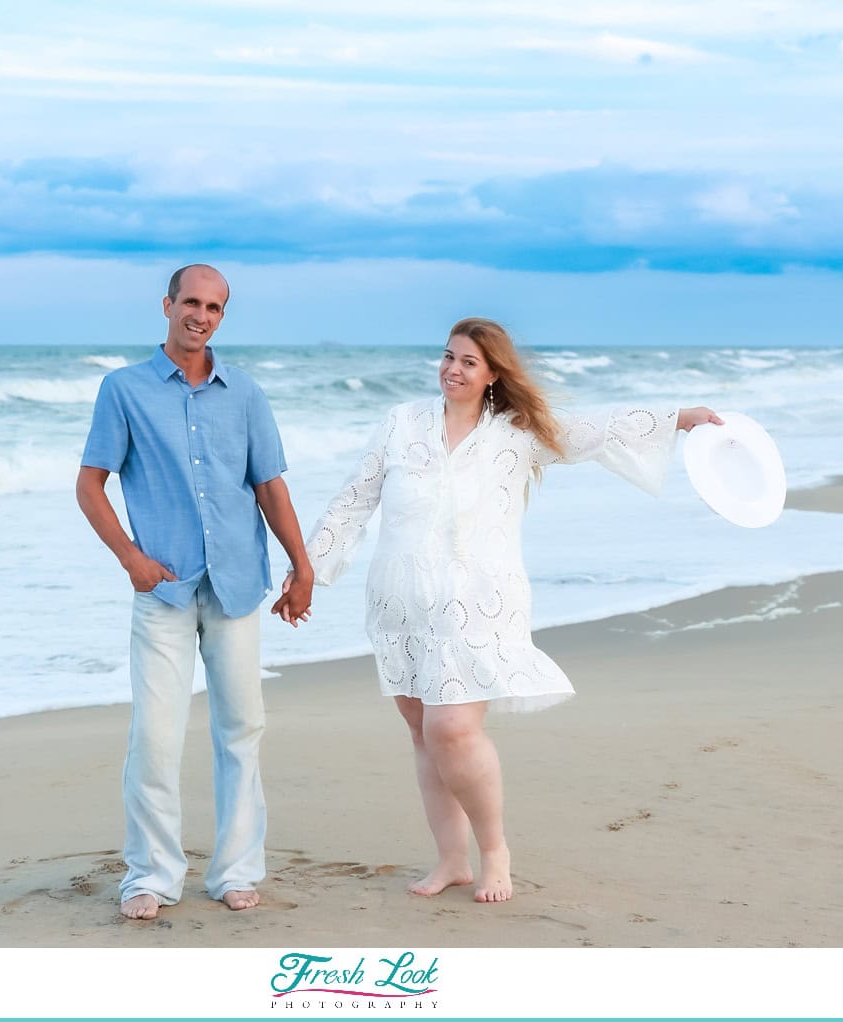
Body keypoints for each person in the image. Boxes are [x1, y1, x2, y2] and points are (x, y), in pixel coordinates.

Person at [274, 316, 720, 905]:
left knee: (452, 728)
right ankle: (451, 860)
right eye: (448, 357)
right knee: (423, 735)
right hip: (400, 601)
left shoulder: (518, 431)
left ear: (492, 376)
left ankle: (494, 851)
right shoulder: (401, 423)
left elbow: (595, 429)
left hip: (479, 602)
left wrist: (680, 417)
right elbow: (355, 500)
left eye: (468, 363)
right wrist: (308, 570)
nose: (452, 370)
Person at [77, 264, 314, 919]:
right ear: (167, 305)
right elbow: (90, 485)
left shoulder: (246, 394)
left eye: (213, 307)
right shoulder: (123, 390)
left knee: (242, 729)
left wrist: (303, 565)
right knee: (155, 737)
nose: (200, 315)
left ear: (221, 315)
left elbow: (269, 487)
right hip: (165, 591)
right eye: (191, 302)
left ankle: (235, 870)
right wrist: (130, 557)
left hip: (237, 585)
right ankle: (150, 875)